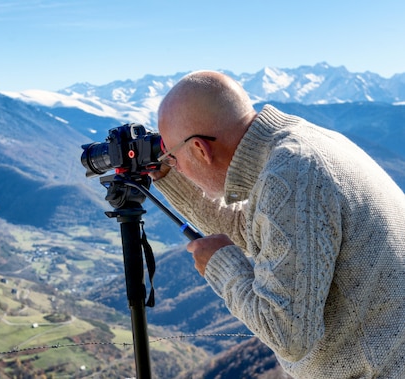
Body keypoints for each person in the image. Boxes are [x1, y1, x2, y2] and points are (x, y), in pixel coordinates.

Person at [150, 70, 405, 378]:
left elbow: (287, 334)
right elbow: (257, 230)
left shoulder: (292, 175)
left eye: (173, 158)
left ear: (201, 150)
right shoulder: (300, 145)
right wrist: (167, 177)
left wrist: (222, 265)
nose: (174, 165)